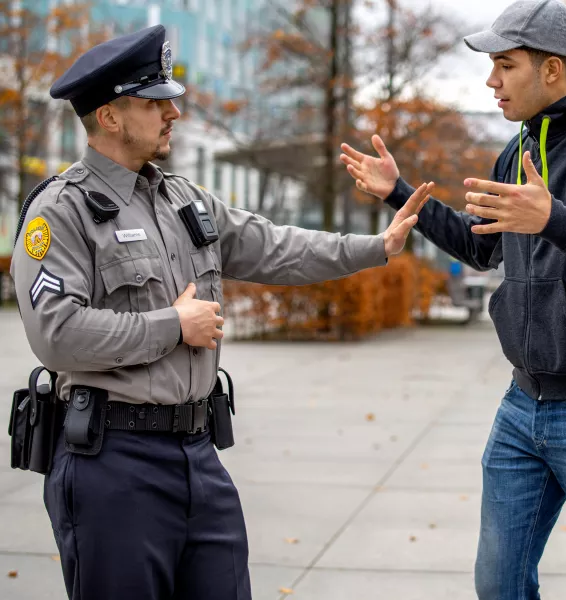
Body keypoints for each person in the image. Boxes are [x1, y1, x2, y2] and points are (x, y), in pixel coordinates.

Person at [11, 24, 430, 600]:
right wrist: (173, 326)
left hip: (198, 455)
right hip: (112, 466)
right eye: (155, 101)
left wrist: (374, 247)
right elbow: (57, 334)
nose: (173, 112)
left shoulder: (183, 199)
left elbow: (276, 246)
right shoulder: (60, 211)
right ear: (109, 116)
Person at [340, 1, 566, 598]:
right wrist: (400, 193)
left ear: (551, 70)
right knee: (499, 584)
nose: (490, 81)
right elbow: (484, 245)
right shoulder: (518, 148)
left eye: (504, 65)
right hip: (523, 405)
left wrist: (554, 219)